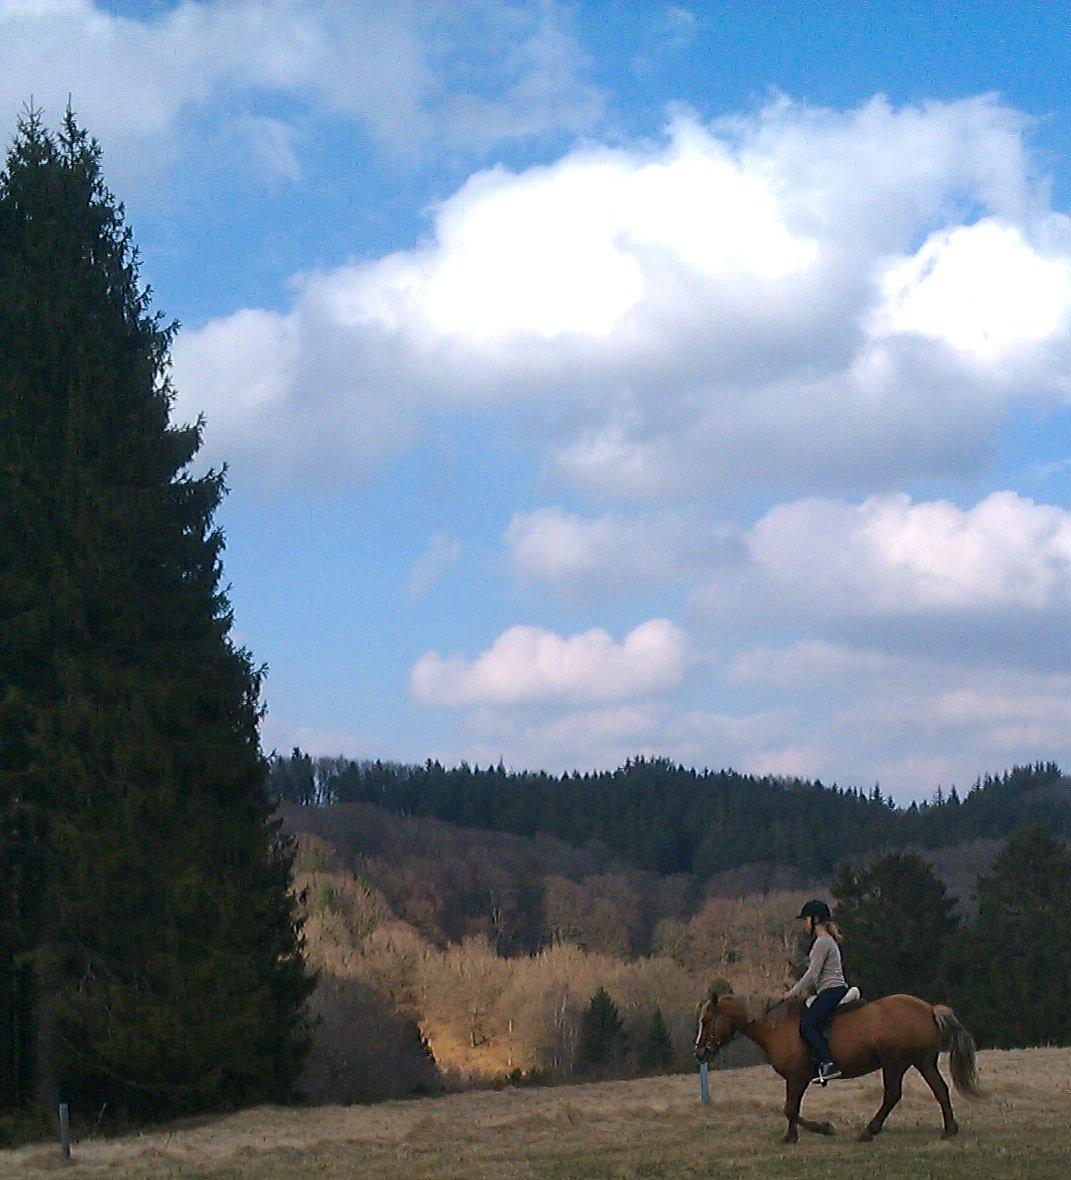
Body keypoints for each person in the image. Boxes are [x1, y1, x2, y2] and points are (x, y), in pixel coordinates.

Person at [781, 899, 848, 1084]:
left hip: (832, 990)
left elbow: (812, 974)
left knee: (807, 1026)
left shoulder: (822, 942)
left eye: (806, 919)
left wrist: (792, 992)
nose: (804, 923)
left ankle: (828, 1063)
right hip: (829, 990)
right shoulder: (826, 941)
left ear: (815, 919)